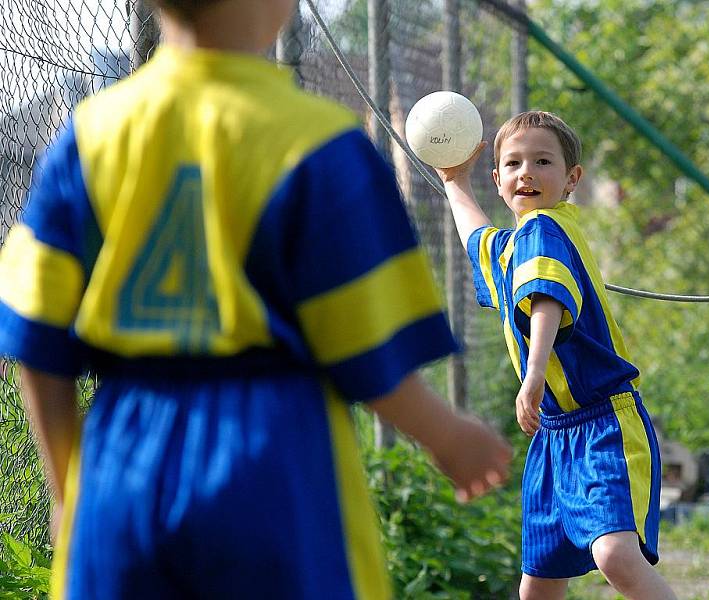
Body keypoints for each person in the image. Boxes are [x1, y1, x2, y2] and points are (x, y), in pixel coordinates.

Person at [0, 1, 513, 598]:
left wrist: (69, 489)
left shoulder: (88, 136)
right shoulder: (317, 142)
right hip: (273, 462)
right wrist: (448, 434)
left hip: (123, 464)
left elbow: (34, 335)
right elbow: (366, 352)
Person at [437, 110, 677, 600]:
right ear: (498, 179)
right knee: (539, 584)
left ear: (572, 179)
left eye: (543, 161)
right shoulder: (515, 246)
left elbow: (547, 301)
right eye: (514, 163)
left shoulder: (544, 228)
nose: (527, 172)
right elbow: (477, 239)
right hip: (554, 433)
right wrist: (453, 182)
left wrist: (532, 374)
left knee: (615, 556)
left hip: (604, 424)